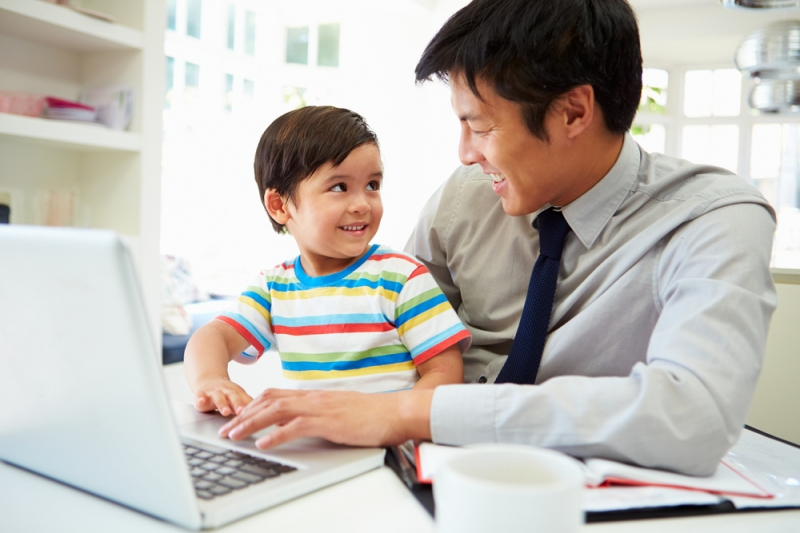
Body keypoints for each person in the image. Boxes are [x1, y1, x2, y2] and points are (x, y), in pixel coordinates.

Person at [218, 0, 777, 476]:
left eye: (480, 126)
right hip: (416, 473)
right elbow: (384, 321)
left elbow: (695, 416)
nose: (466, 153)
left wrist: (409, 413)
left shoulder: (714, 218)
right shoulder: (464, 196)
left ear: (572, 112)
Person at [184, 106, 470, 417]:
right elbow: (211, 337)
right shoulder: (273, 288)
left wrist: (389, 418)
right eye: (339, 187)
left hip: (390, 447)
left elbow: (445, 373)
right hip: (313, 447)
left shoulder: (401, 278)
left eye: (372, 185)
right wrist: (211, 380)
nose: (362, 204)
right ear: (279, 205)